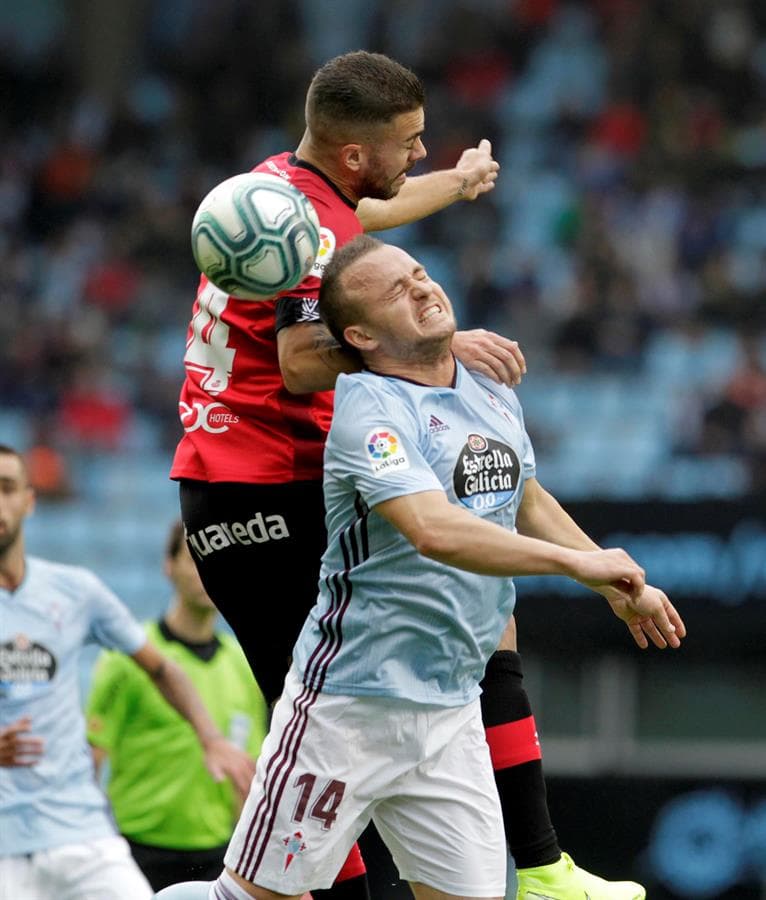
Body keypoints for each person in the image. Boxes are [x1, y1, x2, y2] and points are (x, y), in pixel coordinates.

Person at [170, 49, 655, 900]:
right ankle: (532, 866)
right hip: (268, 485)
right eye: (412, 142)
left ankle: (540, 864)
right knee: (324, 711)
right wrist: (440, 344)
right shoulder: (316, 239)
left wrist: (465, 183)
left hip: (231, 477)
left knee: (477, 608)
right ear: (356, 154)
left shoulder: (281, 190)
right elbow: (296, 359)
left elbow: (370, 212)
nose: (420, 157)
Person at [0, 444, 256, 900]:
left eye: (7, 488)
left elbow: (163, 669)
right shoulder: (118, 665)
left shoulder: (75, 592)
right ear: (168, 565)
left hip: (93, 839)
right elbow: (97, 747)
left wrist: (211, 739)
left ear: (29, 499)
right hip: (45, 840)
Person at [86, 520, 270, 891]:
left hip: (218, 859)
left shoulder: (244, 665)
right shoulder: (129, 659)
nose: (206, 569)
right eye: (194, 557)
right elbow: (92, 758)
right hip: (139, 854)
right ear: (168, 567)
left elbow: (248, 775)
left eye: (217, 559)